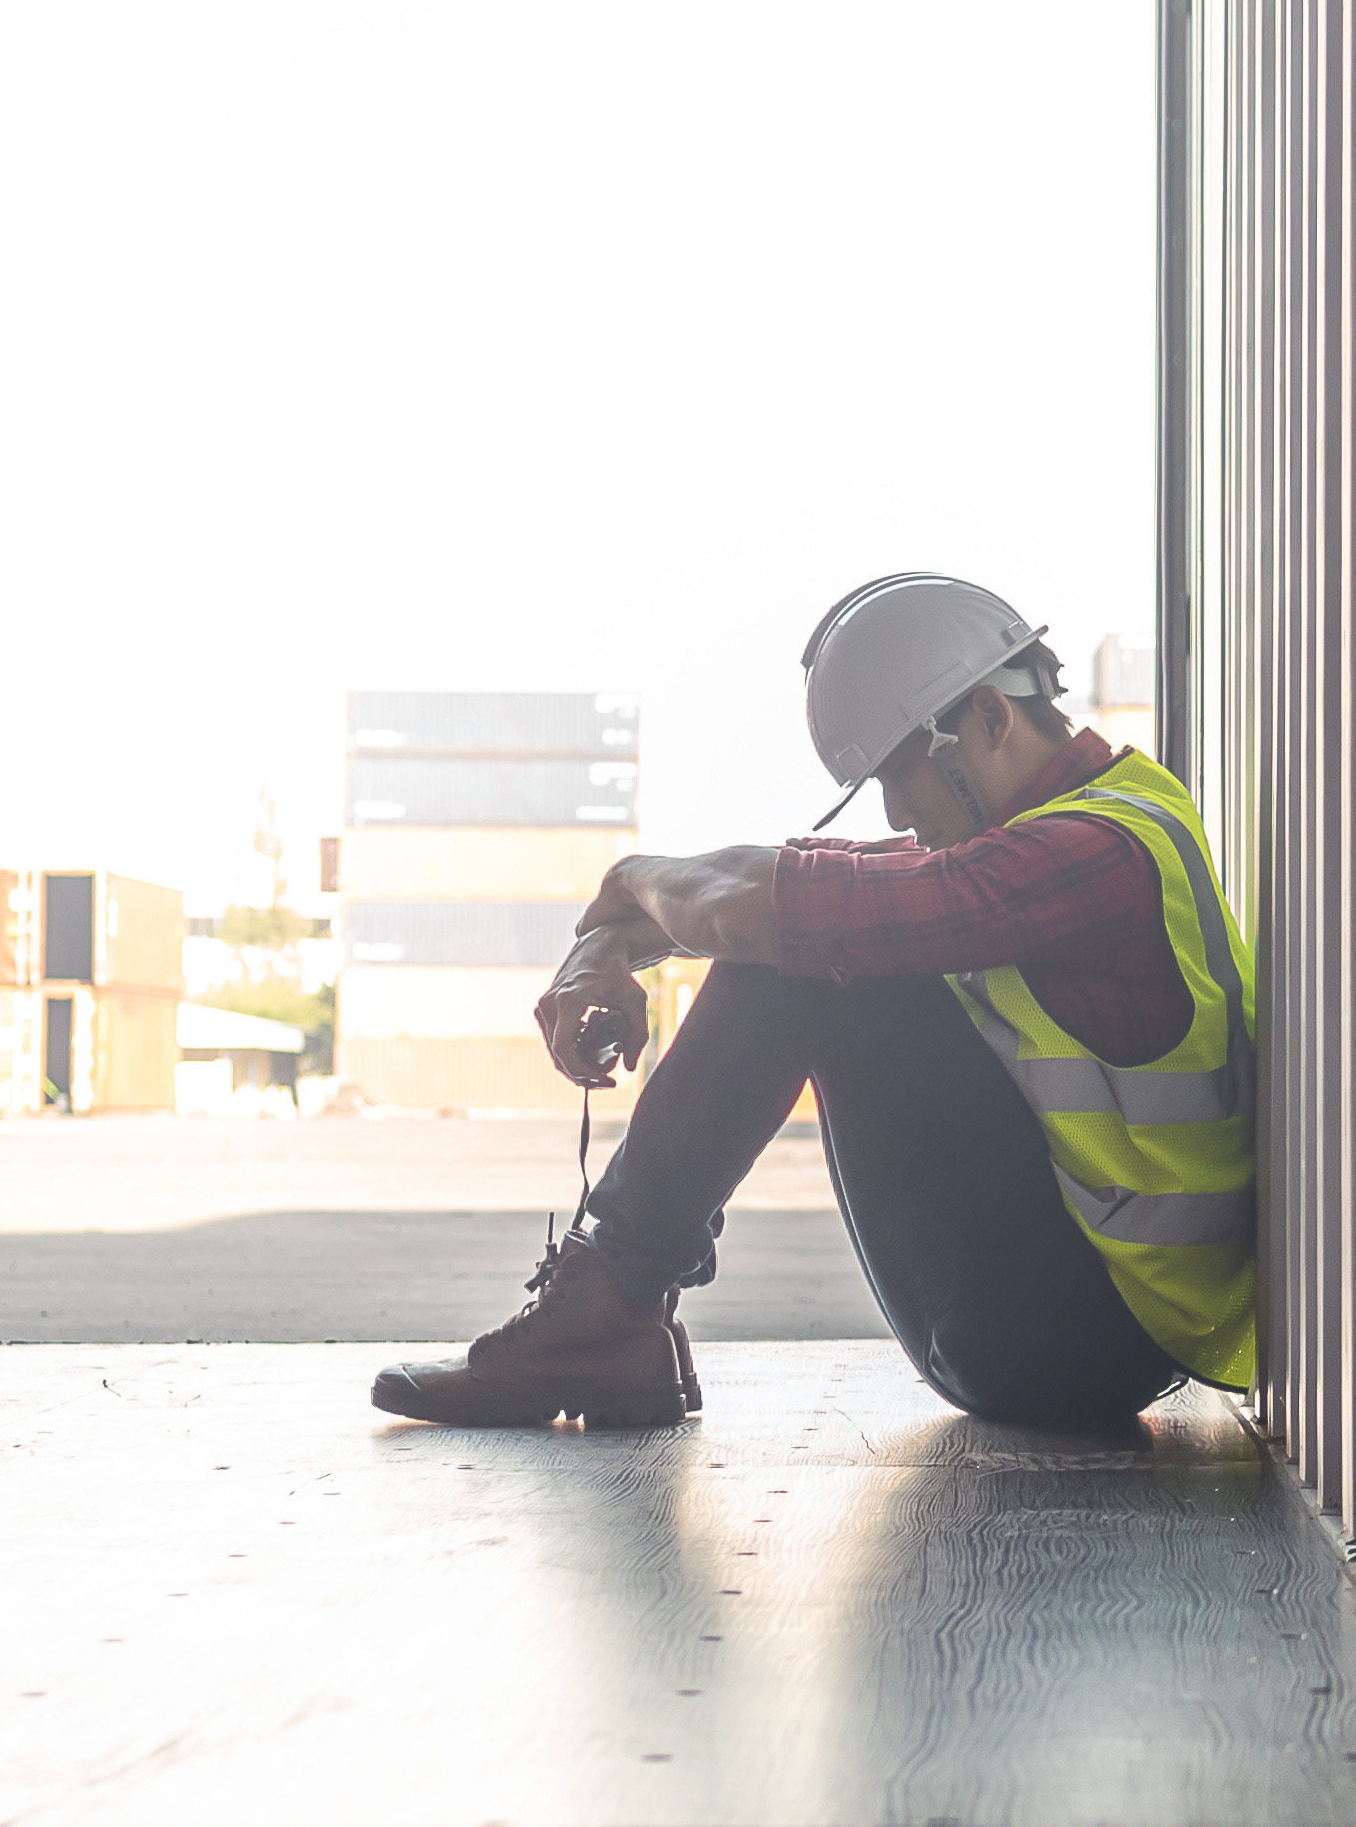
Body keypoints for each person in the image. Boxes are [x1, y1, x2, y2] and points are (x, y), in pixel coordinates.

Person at [370, 574, 1258, 1432]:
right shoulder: (1099, 818)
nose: (900, 811)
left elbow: (784, 904)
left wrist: (629, 880)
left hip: (1077, 1344)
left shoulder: (1091, 855)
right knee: (815, 927)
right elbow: (794, 881)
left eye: (901, 771)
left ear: (989, 717)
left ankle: (608, 1310)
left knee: (802, 947)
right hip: (1088, 1315)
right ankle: (612, 1312)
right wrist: (609, 936)